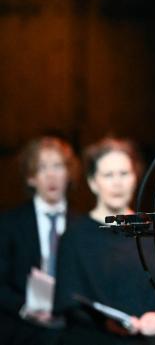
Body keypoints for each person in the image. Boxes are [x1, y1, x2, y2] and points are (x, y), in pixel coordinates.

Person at [54, 137, 155, 345]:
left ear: (135, 178)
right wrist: (106, 323)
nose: (117, 182)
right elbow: (66, 300)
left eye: (124, 174)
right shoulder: (75, 236)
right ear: (93, 182)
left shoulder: (154, 233)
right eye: (108, 175)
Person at [0, 136, 79, 345]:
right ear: (30, 178)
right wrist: (26, 308)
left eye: (58, 166)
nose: (51, 175)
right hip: (22, 328)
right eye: (42, 168)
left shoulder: (82, 225)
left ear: (68, 173)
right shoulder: (9, 224)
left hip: (72, 328)